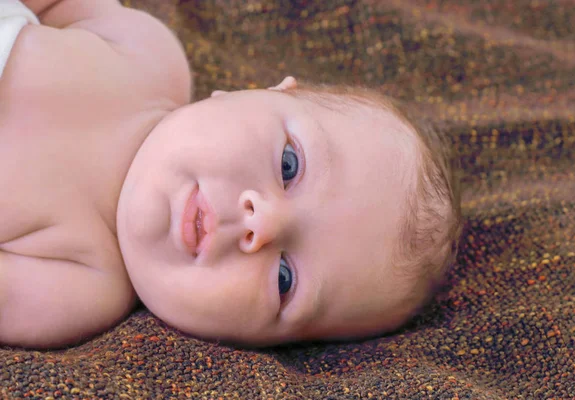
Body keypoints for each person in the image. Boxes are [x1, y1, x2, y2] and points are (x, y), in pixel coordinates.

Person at [0, 0, 461, 348]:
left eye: (284, 279)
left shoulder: (81, 287)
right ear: (258, 91)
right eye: (289, 166)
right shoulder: (148, 57)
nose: (262, 222)